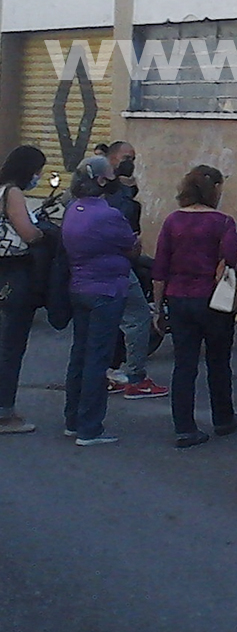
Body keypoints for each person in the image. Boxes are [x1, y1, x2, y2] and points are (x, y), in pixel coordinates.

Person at [151, 165, 237, 448]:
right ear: (213, 189)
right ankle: (223, 418)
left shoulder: (172, 221)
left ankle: (185, 427)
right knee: (218, 361)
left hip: (179, 299)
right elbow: (232, 260)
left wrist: (158, 308)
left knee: (184, 364)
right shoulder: (223, 222)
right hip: (213, 299)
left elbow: (160, 269)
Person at [62, 158, 140, 446]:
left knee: (80, 355)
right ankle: (90, 428)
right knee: (97, 359)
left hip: (79, 288)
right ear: (101, 181)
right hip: (106, 291)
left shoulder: (73, 209)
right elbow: (131, 246)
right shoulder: (108, 215)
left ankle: (73, 420)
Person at [102, 140, 166, 399]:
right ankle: (135, 378)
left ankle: (106, 371)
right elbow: (127, 233)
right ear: (112, 159)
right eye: (126, 157)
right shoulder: (117, 197)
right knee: (138, 318)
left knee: (106, 323)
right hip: (115, 267)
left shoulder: (95, 192)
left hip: (93, 271)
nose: (130, 163)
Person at [0, 146, 48, 435]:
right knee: (11, 345)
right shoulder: (12, 193)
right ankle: (5, 413)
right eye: (38, 170)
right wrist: (42, 232)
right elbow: (27, 233)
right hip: (15, 271)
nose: (39, 177)